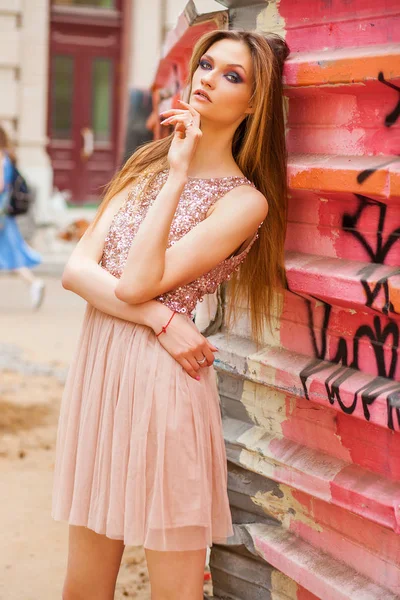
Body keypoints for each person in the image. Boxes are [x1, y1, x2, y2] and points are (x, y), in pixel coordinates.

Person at [51, 29, 289, 600]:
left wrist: (180, 172)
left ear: (255, 103)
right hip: (101, 380)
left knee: (175, 588)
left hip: (166, 391)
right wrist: (163, 319)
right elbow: (75, 270)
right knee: (83, 585)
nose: (206, 77)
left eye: (232, 75)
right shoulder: (144, 165)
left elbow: (134, 282)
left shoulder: (243, 201)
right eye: (206, 64)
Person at [0, 126, 45, 309]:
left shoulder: (1, 158)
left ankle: (34, 283)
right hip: (5, 215)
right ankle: (34, 284)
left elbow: (1, 185)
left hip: (2, 215)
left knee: (13, 256)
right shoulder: (7, 156)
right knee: (12, 253)